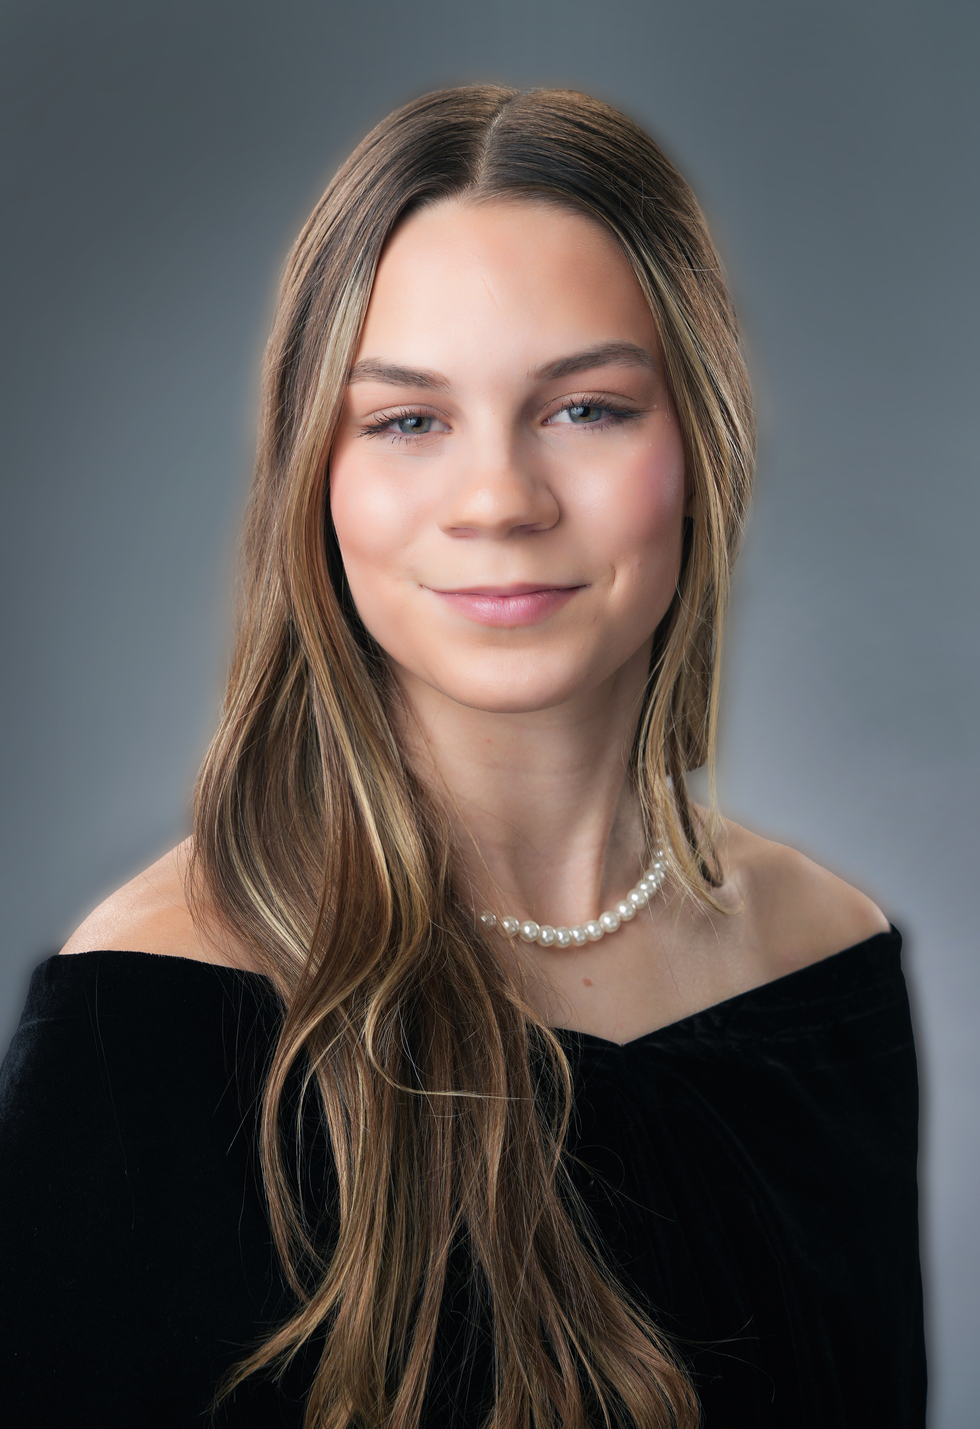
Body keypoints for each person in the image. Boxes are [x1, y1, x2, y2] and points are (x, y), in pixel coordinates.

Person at [0, 86, 925, 1428]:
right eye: (407, 421)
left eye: (586, 409)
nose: (500, 500)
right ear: (315, 477)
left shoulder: (829, 966)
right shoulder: (142, 1022)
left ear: (702, 441)